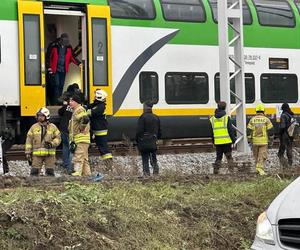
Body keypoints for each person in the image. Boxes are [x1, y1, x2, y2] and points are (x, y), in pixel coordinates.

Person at [46, 33, 81, 105]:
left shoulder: (68, 47)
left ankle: (59, 101)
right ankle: (55, 102)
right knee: (56, 85)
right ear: (61, 39)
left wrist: (79, 64)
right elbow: (48, 57)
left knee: (61, 85)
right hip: (55, 69)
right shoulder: (53, 45)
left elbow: (72, 57)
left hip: (63, 69)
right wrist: (49, 67)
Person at [25, 108, 61, 176]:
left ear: (46, 116)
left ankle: (50, 185)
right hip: (37, 155)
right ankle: (33, 185)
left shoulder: (53, 127)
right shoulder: (33, 127)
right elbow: (28, 140)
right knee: (34, 173)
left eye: (42, 116)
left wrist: (52, 144)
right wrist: (28, 152)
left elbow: (58, 138)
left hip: (49, 154)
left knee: (50, 172)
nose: (40, 117)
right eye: (38, 116)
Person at [86, 89, 113, 172]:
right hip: (97, 130)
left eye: (96, 96)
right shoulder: (97, 104)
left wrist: (81, 110)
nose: (94, 97)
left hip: (100, 131)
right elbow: (90, 106)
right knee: (101, 148)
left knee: (103, 148)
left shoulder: (100, 107)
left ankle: (109, 166)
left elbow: (90, 112)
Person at [247, 104, 274, 176]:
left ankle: (258, 170)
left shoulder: (252, 120)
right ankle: (260, 169)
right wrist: (271, 140)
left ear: (256, 111)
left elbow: (248, 131)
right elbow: (271, 131)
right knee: (262, 156)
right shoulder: (266, 119)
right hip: (263, 141)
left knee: (256, 156)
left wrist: (249, 140)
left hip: (255, 142)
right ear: (263, 111)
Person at [209, 101, 236, 174]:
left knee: (218, 157)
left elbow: (212, 133)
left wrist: (213, 142)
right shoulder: (226, 118)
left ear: (217, 107)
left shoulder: (212, 119)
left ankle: (216, 170)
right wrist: (233, 140)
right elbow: (230, 130)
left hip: (218, 142)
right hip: (226, 141)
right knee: (229, 156)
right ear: (225, 108)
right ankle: (231, 171)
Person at [68, 92, 91, 177]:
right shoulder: (76, 111)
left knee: (78, 156)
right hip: (82, 139)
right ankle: (87, 175)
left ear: (77, 102)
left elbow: (85, 119)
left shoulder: (79, 110)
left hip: (80, 138)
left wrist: (81, 128)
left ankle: (77, 173)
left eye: (72, 101)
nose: (70, 102)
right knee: (84, 158)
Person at [136, 102, 161, 176]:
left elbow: (139, 131)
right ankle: (156, 172)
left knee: (145, 159)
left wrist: (137, 141)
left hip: (144, 142)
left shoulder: (142, 117)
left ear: (145, 107)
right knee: (153, 158)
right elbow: (160, 131)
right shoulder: (156, 117)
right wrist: (156, 139)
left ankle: (146, 174)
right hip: (153, 141)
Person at [58, 91, 74, 174]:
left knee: (65, 146)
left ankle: (65, 163)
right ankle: (69, 167)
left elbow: (59, 112)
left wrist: (64, 105)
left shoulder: (66, 106)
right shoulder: (77, 108)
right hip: (69, 130)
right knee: (71, 148)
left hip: (63, 128)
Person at [278, 103, 294, 167]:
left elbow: (283, 126)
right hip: (291, 135)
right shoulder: (291, 115)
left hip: (284, 135)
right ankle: (290, 164)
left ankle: (285, 165)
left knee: (280, 153)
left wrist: (280, 133)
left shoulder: (283, 115)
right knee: (289, 149)